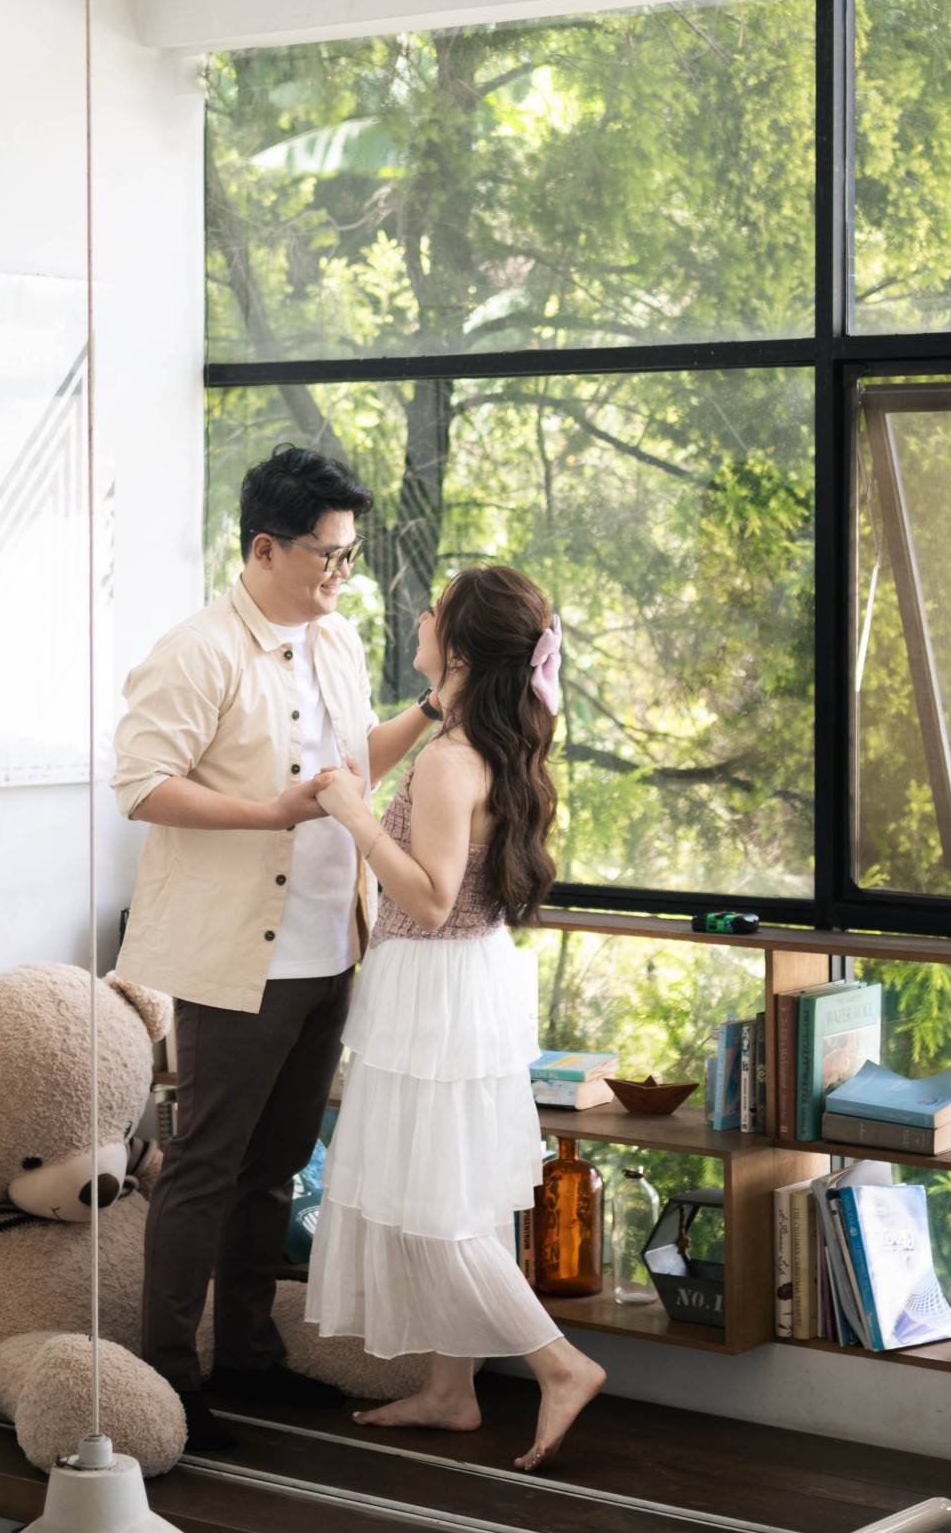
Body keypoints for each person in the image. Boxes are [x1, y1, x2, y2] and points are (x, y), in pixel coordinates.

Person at [111, 445, 441, 1451]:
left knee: (277, 1167)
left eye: (348, 555)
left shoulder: (334, 639)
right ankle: (169, 1379)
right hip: (235, 960)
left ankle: (248, 1354)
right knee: (204, 1167)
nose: (341, 573)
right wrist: (267, 813)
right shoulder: (196, 650)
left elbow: (351, 767)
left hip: (331, 946)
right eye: (326, 555)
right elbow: (141, 786)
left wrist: (431, 712)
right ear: (264, 548)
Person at [305, 566, 606, 1472]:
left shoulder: (448, 760)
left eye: (434, 611)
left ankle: (559, 1365)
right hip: (466, 984)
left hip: (431, 991)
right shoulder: (492, 746)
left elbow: (431, 900)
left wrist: (354, 815)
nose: (421, 618)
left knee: (431, 1207)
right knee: (451, 1190)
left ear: (462, 651)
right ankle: (450, 1391)